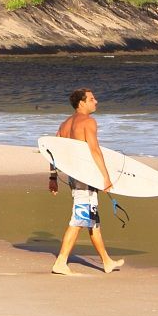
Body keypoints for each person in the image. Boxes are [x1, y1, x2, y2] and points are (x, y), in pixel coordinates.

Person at [50, 88, 124, 276]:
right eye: (92, 99)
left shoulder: (65, 124)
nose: (96, 101)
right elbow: (95, 150)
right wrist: (106, 177)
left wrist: (53, 177)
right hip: (85, 177)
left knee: (92, 219)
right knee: (79, 219)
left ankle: (106, 262)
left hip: (75, 177)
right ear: (81, 103)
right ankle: (60, 261)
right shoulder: (88, 122)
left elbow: (53, 152)